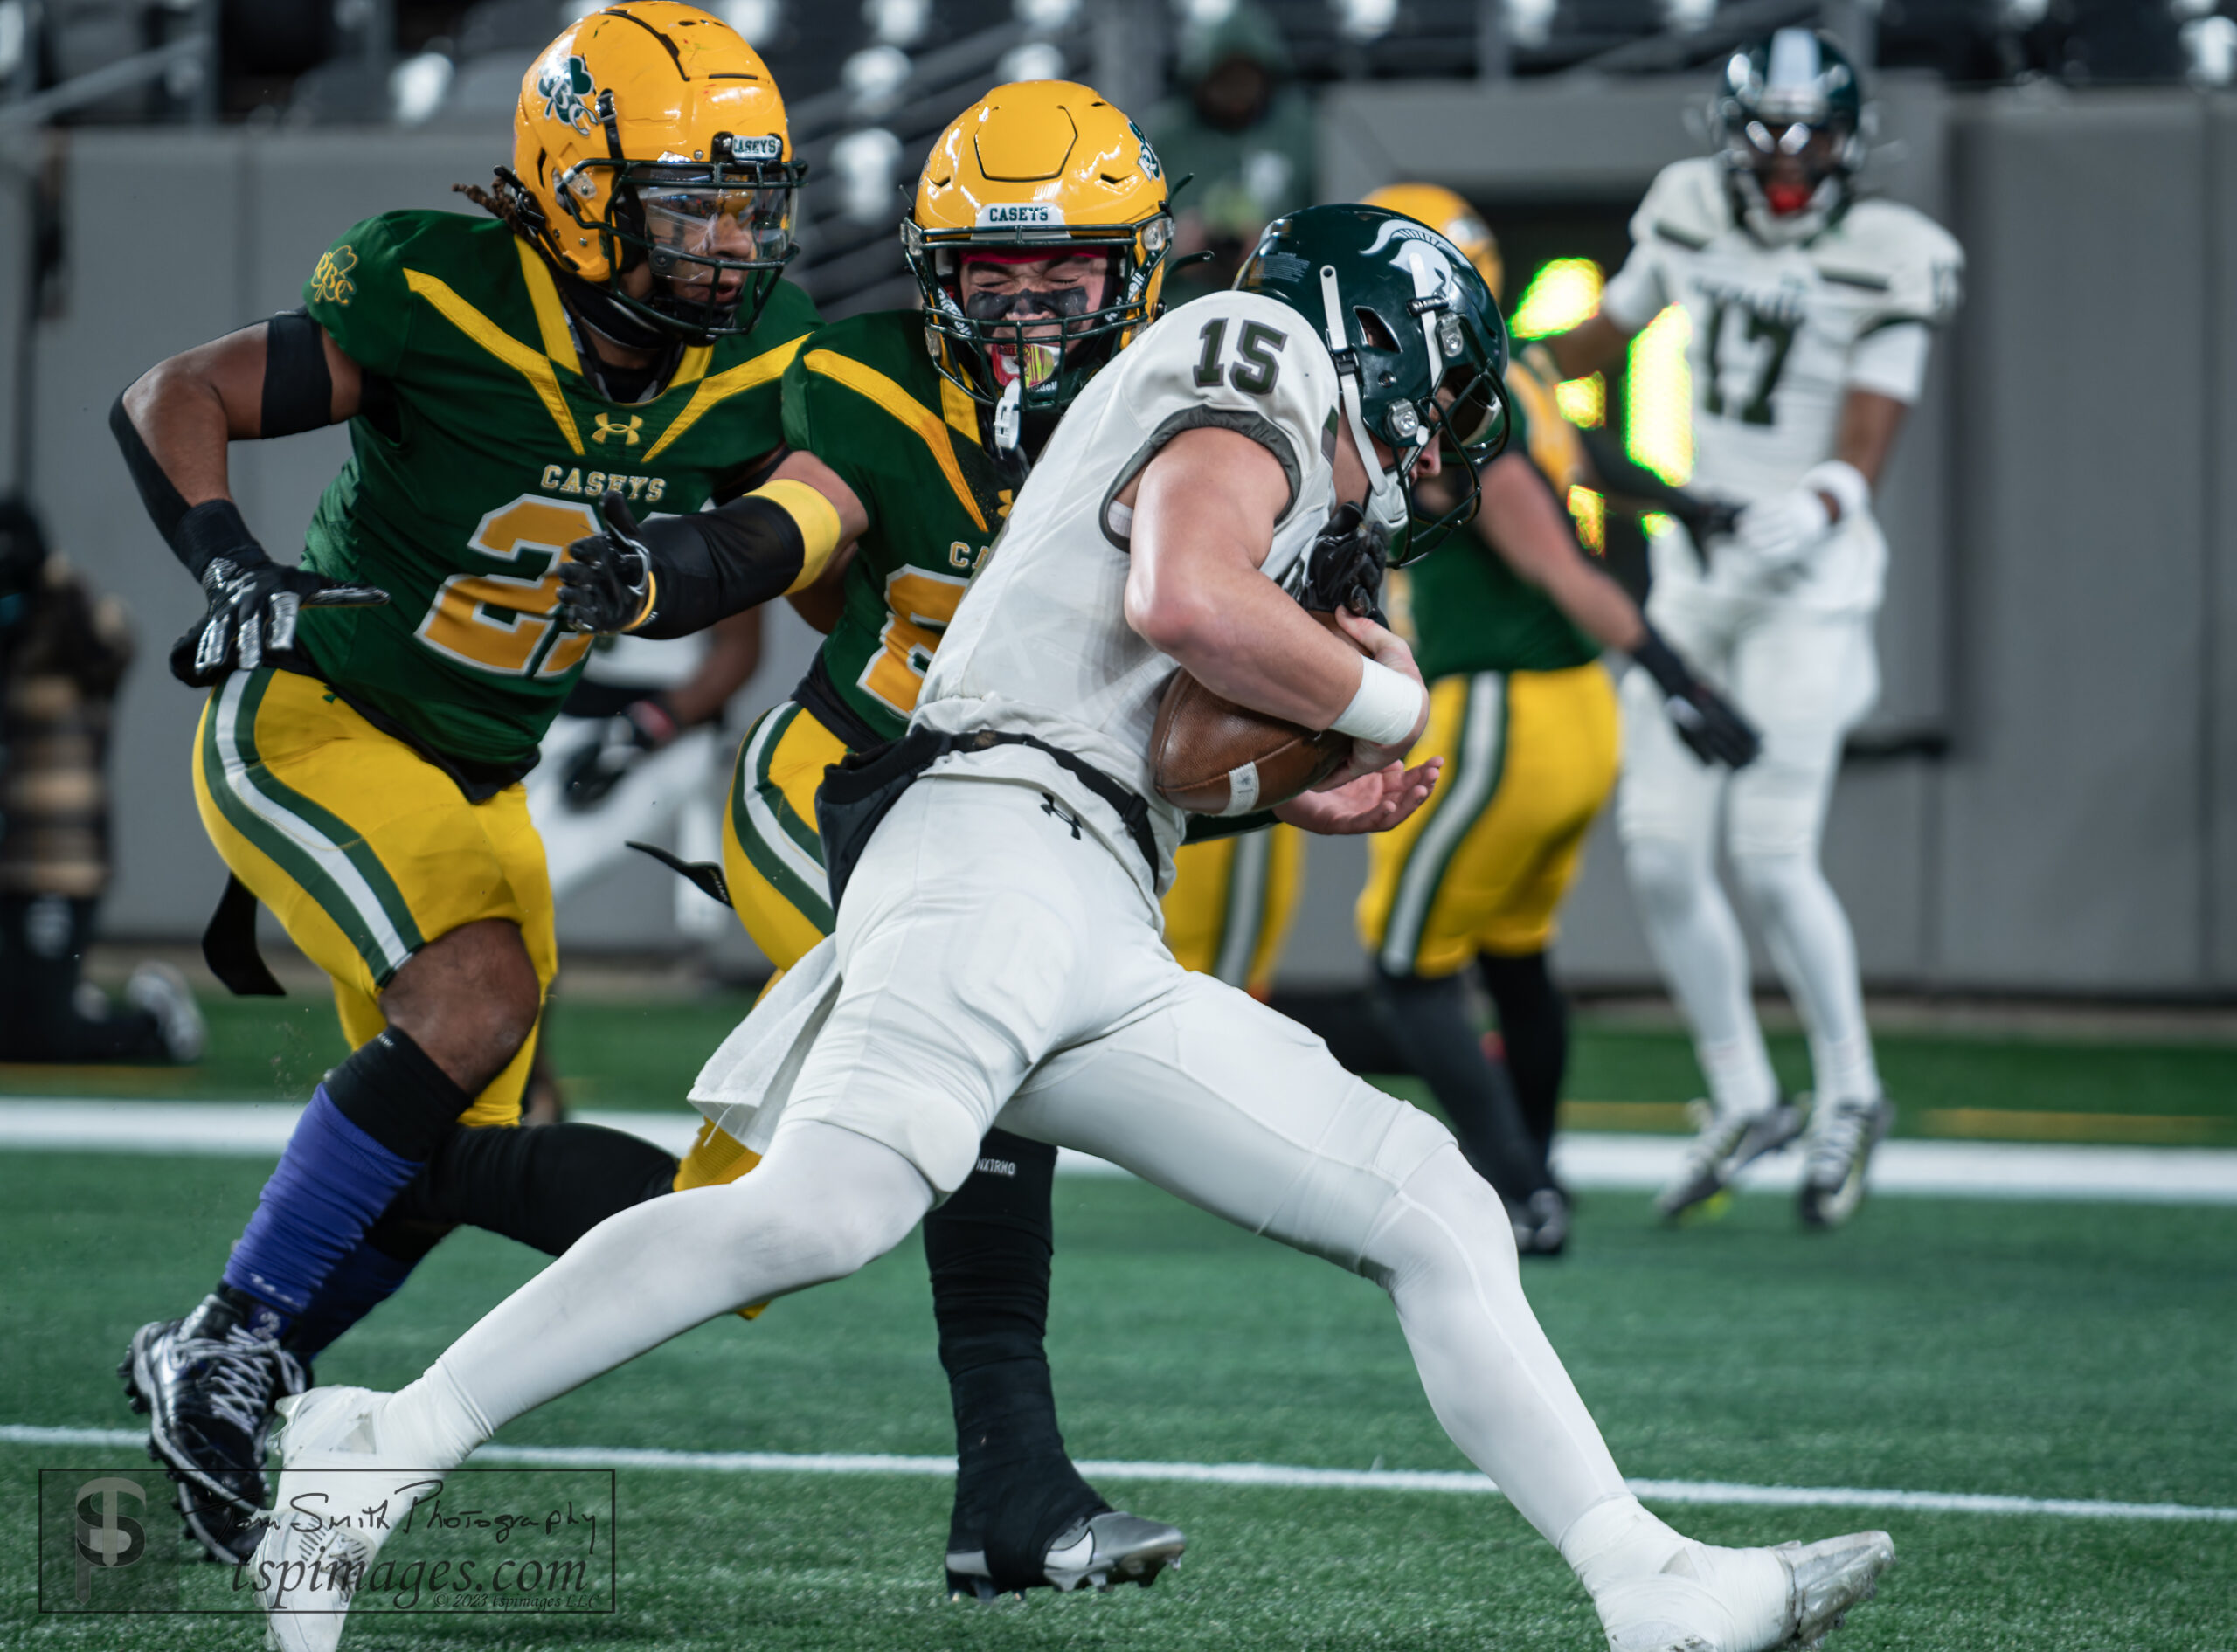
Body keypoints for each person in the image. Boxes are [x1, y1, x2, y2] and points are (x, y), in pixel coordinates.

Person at [251, 204, 1894, 1652]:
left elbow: (1172, 740)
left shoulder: (1261, 448)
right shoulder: (1255, 347)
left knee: (1424, 1198)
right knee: (817, 1217)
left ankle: (1645, 1581)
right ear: (1380, 342)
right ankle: (380, 1438)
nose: (1445, 440)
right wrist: (1386, 702)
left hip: (1088, 885)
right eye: (1446, 394)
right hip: (993, 844)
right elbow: (1182, 600)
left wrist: (1289, 783)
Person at [111, 3, 828, 1565]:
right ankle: (235, 1336)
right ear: (580, 189)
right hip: (321, 717)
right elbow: (174, 394)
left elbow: (804, 562)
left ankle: (230, 1366)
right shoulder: (436, 288)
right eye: (691, 201)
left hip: (488, 778)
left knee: (441, 1155)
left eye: (746, 203)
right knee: (476, 996)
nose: (728, 242)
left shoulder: (754, 362)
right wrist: (230, 563)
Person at [673, 79, 1191, 1599]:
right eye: (993, 275)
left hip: (1019, 824)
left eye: (1065, 272)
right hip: (838, 792)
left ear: (1137, 267)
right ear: (932, 278)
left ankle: (428, 1185)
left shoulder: (1193, 403)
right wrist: (682, 567)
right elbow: (807, 533)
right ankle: (1013, 1492)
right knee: (985, 1079)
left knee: (794, 1207)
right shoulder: (873, 379)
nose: (1028, 307)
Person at [1530, 28, 1962, 1227]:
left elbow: (1873, 422)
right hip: (1698, 577)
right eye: (1764, 132)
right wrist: (1499, 365)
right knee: (1663, 849)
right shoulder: (1686, 211)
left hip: (1811, 583)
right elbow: (1607, 331)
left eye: (1807, 134)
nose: (1783, 158)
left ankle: (1852, 1091)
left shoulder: (1895, 254)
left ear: (1848, 141)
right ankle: (1741, 1094)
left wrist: (1820, 498)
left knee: (1773, 854)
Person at [1351, 185, 1758, 1255]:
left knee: (1405, 961)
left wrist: (1677, 673)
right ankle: (1537, 1166)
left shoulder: (1442, 403)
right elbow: (1585, 457)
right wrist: (1683, 504)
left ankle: (1519, 1188)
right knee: (1514, 951)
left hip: (1501, 709)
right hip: (1572, 717)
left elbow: (1551, 554)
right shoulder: (1519, 368)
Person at [0, 496, 206, 1063]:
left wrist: (48, 577)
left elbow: (112, 644)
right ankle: (66, 999)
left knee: (42, 1040)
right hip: (7, 858)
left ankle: (157, 1025)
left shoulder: (69, 625)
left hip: (55, 859)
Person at [1146, 0, 1314, 304]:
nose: (1237, 92)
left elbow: (1320, 227)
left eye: (1246, 78)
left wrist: (1271, 250)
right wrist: (1174, 245)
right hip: (1178, 304)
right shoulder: (1164, 136)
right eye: (1226, 78)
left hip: (1275, 300)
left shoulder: (1298, 131)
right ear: (1203, 75)